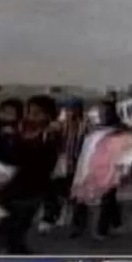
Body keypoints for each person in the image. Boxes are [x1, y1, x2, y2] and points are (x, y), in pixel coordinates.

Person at [0, 96, 61, 254]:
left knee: (11, 233)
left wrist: (17, 142)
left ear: (49, 116)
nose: (31, 117)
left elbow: (40, 163)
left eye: (37, 113)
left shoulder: (48, 136)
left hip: (28, 193)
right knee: (3, 232)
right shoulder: (18, 131)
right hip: (8, 189)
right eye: (29, 112)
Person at [70, 99, 127, 239]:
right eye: (99, 111)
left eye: (104, 112)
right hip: (87, 167)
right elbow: (82, 147)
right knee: (81, 198)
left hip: (107, 169)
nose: (100, 114)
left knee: (107, 199)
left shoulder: (118, 131)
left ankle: (101, 229)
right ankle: (78, 227)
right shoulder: (90, 129)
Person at [38, 98, 88, 233]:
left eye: (72, 109)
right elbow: (46, 139)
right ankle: (50, 218)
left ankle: (78, 224)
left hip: (78, 165)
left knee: (78, 195)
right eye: (67, 109)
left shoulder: (84, 125)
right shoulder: (57, 125)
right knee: (53, 193)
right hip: (59, 165)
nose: (69, 112)